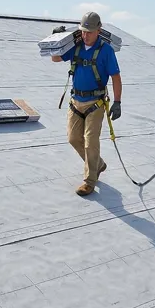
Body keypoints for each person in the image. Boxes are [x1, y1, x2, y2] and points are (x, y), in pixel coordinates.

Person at [50, 11, 122, 196]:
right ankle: (98, 164)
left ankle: (90, 181)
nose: (85, 35)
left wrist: (117, 102)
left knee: (91, 142)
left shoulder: (106, 51)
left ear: (99, 30)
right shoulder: (76, 47)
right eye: (83, 31)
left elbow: (115, 77)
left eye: (89, 32)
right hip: (76, 101)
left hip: (95, 103)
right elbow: (56, 58)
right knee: (73, 139)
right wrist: (55, 39)